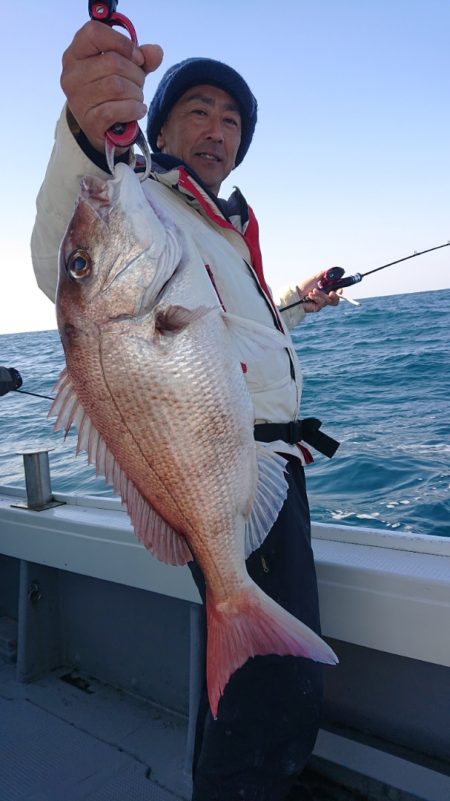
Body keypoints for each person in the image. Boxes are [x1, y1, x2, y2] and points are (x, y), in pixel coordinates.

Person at [31, 21, 340, 801]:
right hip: (224, 470)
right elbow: (63, 261)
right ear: (159, 127)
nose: (217, 130)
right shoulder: (147, 201)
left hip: (262, 467)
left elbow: (227, 335)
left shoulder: (217, 227)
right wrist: (85, 127)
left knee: (271, 694)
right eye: (198, 111)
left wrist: (299, 301)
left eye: (232, 121)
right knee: (269, 695)